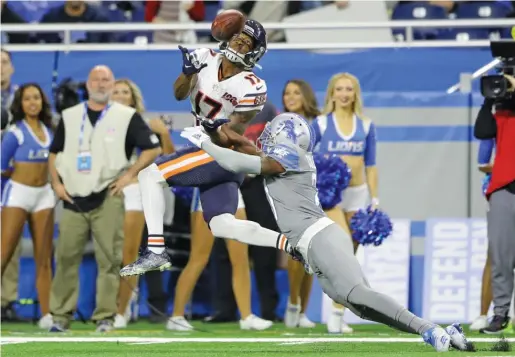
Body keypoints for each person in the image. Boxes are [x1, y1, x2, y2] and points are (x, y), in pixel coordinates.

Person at [180, 113, 470, 353]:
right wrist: (217, 131)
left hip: (320, 237)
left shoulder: (288, 157)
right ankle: (435, 332)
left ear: (285, 135)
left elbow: (236, 161)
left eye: (273, 131)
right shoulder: (287, 155)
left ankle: (429, 329)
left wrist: (205, 143)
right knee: (360, 306)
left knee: (359, 293)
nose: (266, 135)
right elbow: (244, 147)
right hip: (311, 244)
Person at [120, 20, 296, 291]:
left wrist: (214, 132)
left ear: (254, 53)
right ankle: (290, 243)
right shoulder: (204, 57)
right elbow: (179, 94)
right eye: (238, 37)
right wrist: (187, 72)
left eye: (247, 42)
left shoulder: (253, 86)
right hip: (209, 149)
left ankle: (156, 250)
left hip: (222, 153)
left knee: (149, 175)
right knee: (223, 225)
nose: (239, 43)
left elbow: (231, 135)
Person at [48, 65, 161, 332]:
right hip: (73, 196)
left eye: (106, 80)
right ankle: (60, 317)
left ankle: (105, 317)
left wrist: (128, 175)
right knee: (65, 257)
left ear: (111, 86)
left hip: (108, 194)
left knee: (109, 259)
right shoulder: (70, 115)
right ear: (88, 85)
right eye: (96, 80)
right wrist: (55, 182)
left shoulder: (126, 116)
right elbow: (54, 152)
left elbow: (152, 148)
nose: (101, 84)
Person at [311, 72, 378, 333]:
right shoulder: (320, 125)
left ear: (355, 93)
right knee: (342, 248)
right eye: (339, 89)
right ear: (332, 94)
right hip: (332, 196)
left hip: (358, 193)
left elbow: (371, 165)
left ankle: (338, 314)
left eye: (349, 89)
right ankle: (335, 315)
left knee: (352, 254)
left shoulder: (367, 125)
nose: (344, 94)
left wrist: (375, 198)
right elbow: (307, 157)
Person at [110, 78, 176, 328]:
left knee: (134, 251)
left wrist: (164, 132)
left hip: (140, 191)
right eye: (115, 92)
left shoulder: (145, 125)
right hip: (109, 191)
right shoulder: (101, 123)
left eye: (125, 92)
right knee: (113, 253)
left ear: (133, 98)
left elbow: (167, 158)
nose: (119, 95)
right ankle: (114, 306)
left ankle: (125, 308)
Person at [1, 83, 55, 329]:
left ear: (42, 101)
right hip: (18, 194)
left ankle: (47, 316)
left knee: (44, 256)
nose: (32, 102)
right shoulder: (16, 132)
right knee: (4, 254)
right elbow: (1, 165)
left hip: (44, 195)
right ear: (20, 104)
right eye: (27, 99)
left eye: (36, 98)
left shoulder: (50, 131)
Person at [474, 74, 515, 334]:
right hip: (504, 185)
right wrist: (489, 99)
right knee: (500, 256)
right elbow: (482, 131)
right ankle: (500, 314)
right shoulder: (503, 110)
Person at [281, 79, 320, 328]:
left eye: (296, 93)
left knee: (313, 255)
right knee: (295, 253)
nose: (291, 97)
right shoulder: (279, 126)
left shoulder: (319, 125)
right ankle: (292, 304)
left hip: (317, 194)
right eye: (287, 93)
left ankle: (303, 311)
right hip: (290, 194)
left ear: (306, 96)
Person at [470, 138, 495, 331]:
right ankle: (483, 314)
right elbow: (482, 164)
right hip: (503, 190)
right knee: (494, 254)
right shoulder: (496, 121)